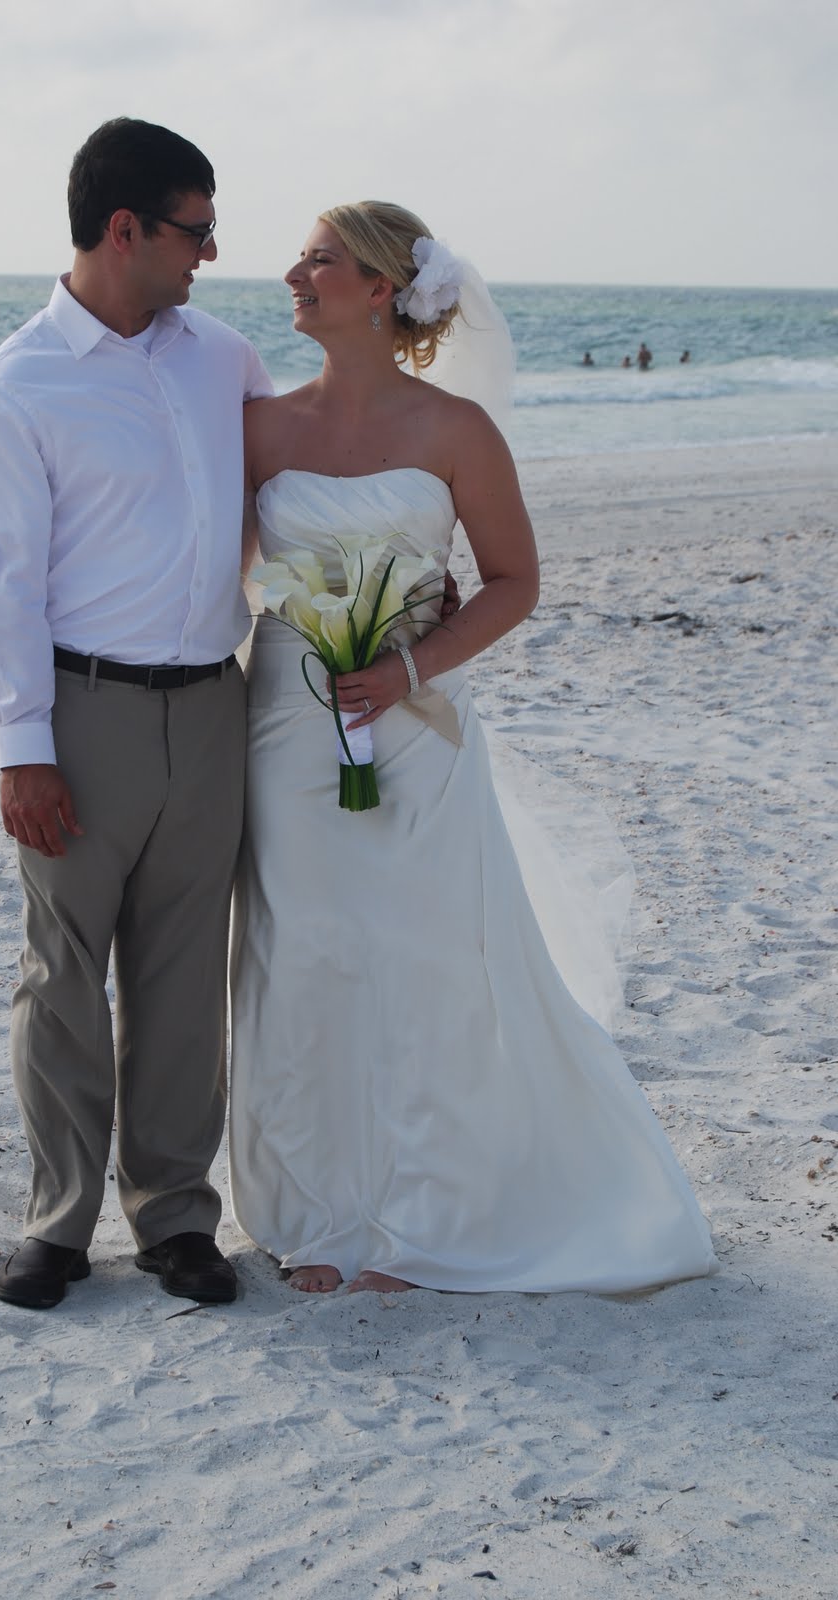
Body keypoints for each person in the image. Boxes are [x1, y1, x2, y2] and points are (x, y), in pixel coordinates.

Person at [228, 201, 717, 1295]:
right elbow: (210, 572)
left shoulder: (457, 432)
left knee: (425, 959)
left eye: (322, 260)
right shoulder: (260, 427)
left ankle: (423, 1215)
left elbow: (516, 581)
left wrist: (411, 666)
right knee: (298, 952)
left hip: (414, 728)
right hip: (287, 725)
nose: (295, 273)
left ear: (382, 289)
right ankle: (316, 1213)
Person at [0, 117, 275, 1310]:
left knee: (187, 975)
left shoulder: (222, 357)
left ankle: (176, 1218)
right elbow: (1, 582)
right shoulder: (16, 387)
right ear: (126, 228)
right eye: (195, 229)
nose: (208, 252)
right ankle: (56, 1223)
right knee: (63, 971)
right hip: (79, 713)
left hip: (212, 709)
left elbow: (299, 477)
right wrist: (20, 750)